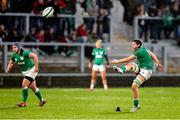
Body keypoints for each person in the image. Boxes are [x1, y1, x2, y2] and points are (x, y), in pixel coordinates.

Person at [111, 39, 163, 112]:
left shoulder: (139, 52)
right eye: (132, 44)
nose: (132, 46)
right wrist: (157, 63)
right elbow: (152, 54)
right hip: (141, 68)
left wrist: (117, 61)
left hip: (146, 71)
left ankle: (136, 106)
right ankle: (121, 70)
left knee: (134, 86)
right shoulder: (144, 49)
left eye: (134, 44)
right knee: (131, 64)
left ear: (138, 45)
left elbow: (128, 59)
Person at [6, 42, 46, 107]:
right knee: (33, 87)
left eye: (15, 47)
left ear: (19, 47)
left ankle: (24, 102)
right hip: (25, 73)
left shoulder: (25, 53)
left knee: (24, 84)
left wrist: (36, 67)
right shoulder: (14, 55)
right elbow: (11, 62)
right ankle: (42, 100)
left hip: (32, 70)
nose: (13, 49)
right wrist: (8, 69)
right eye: (12, 48)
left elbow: (35, 56)